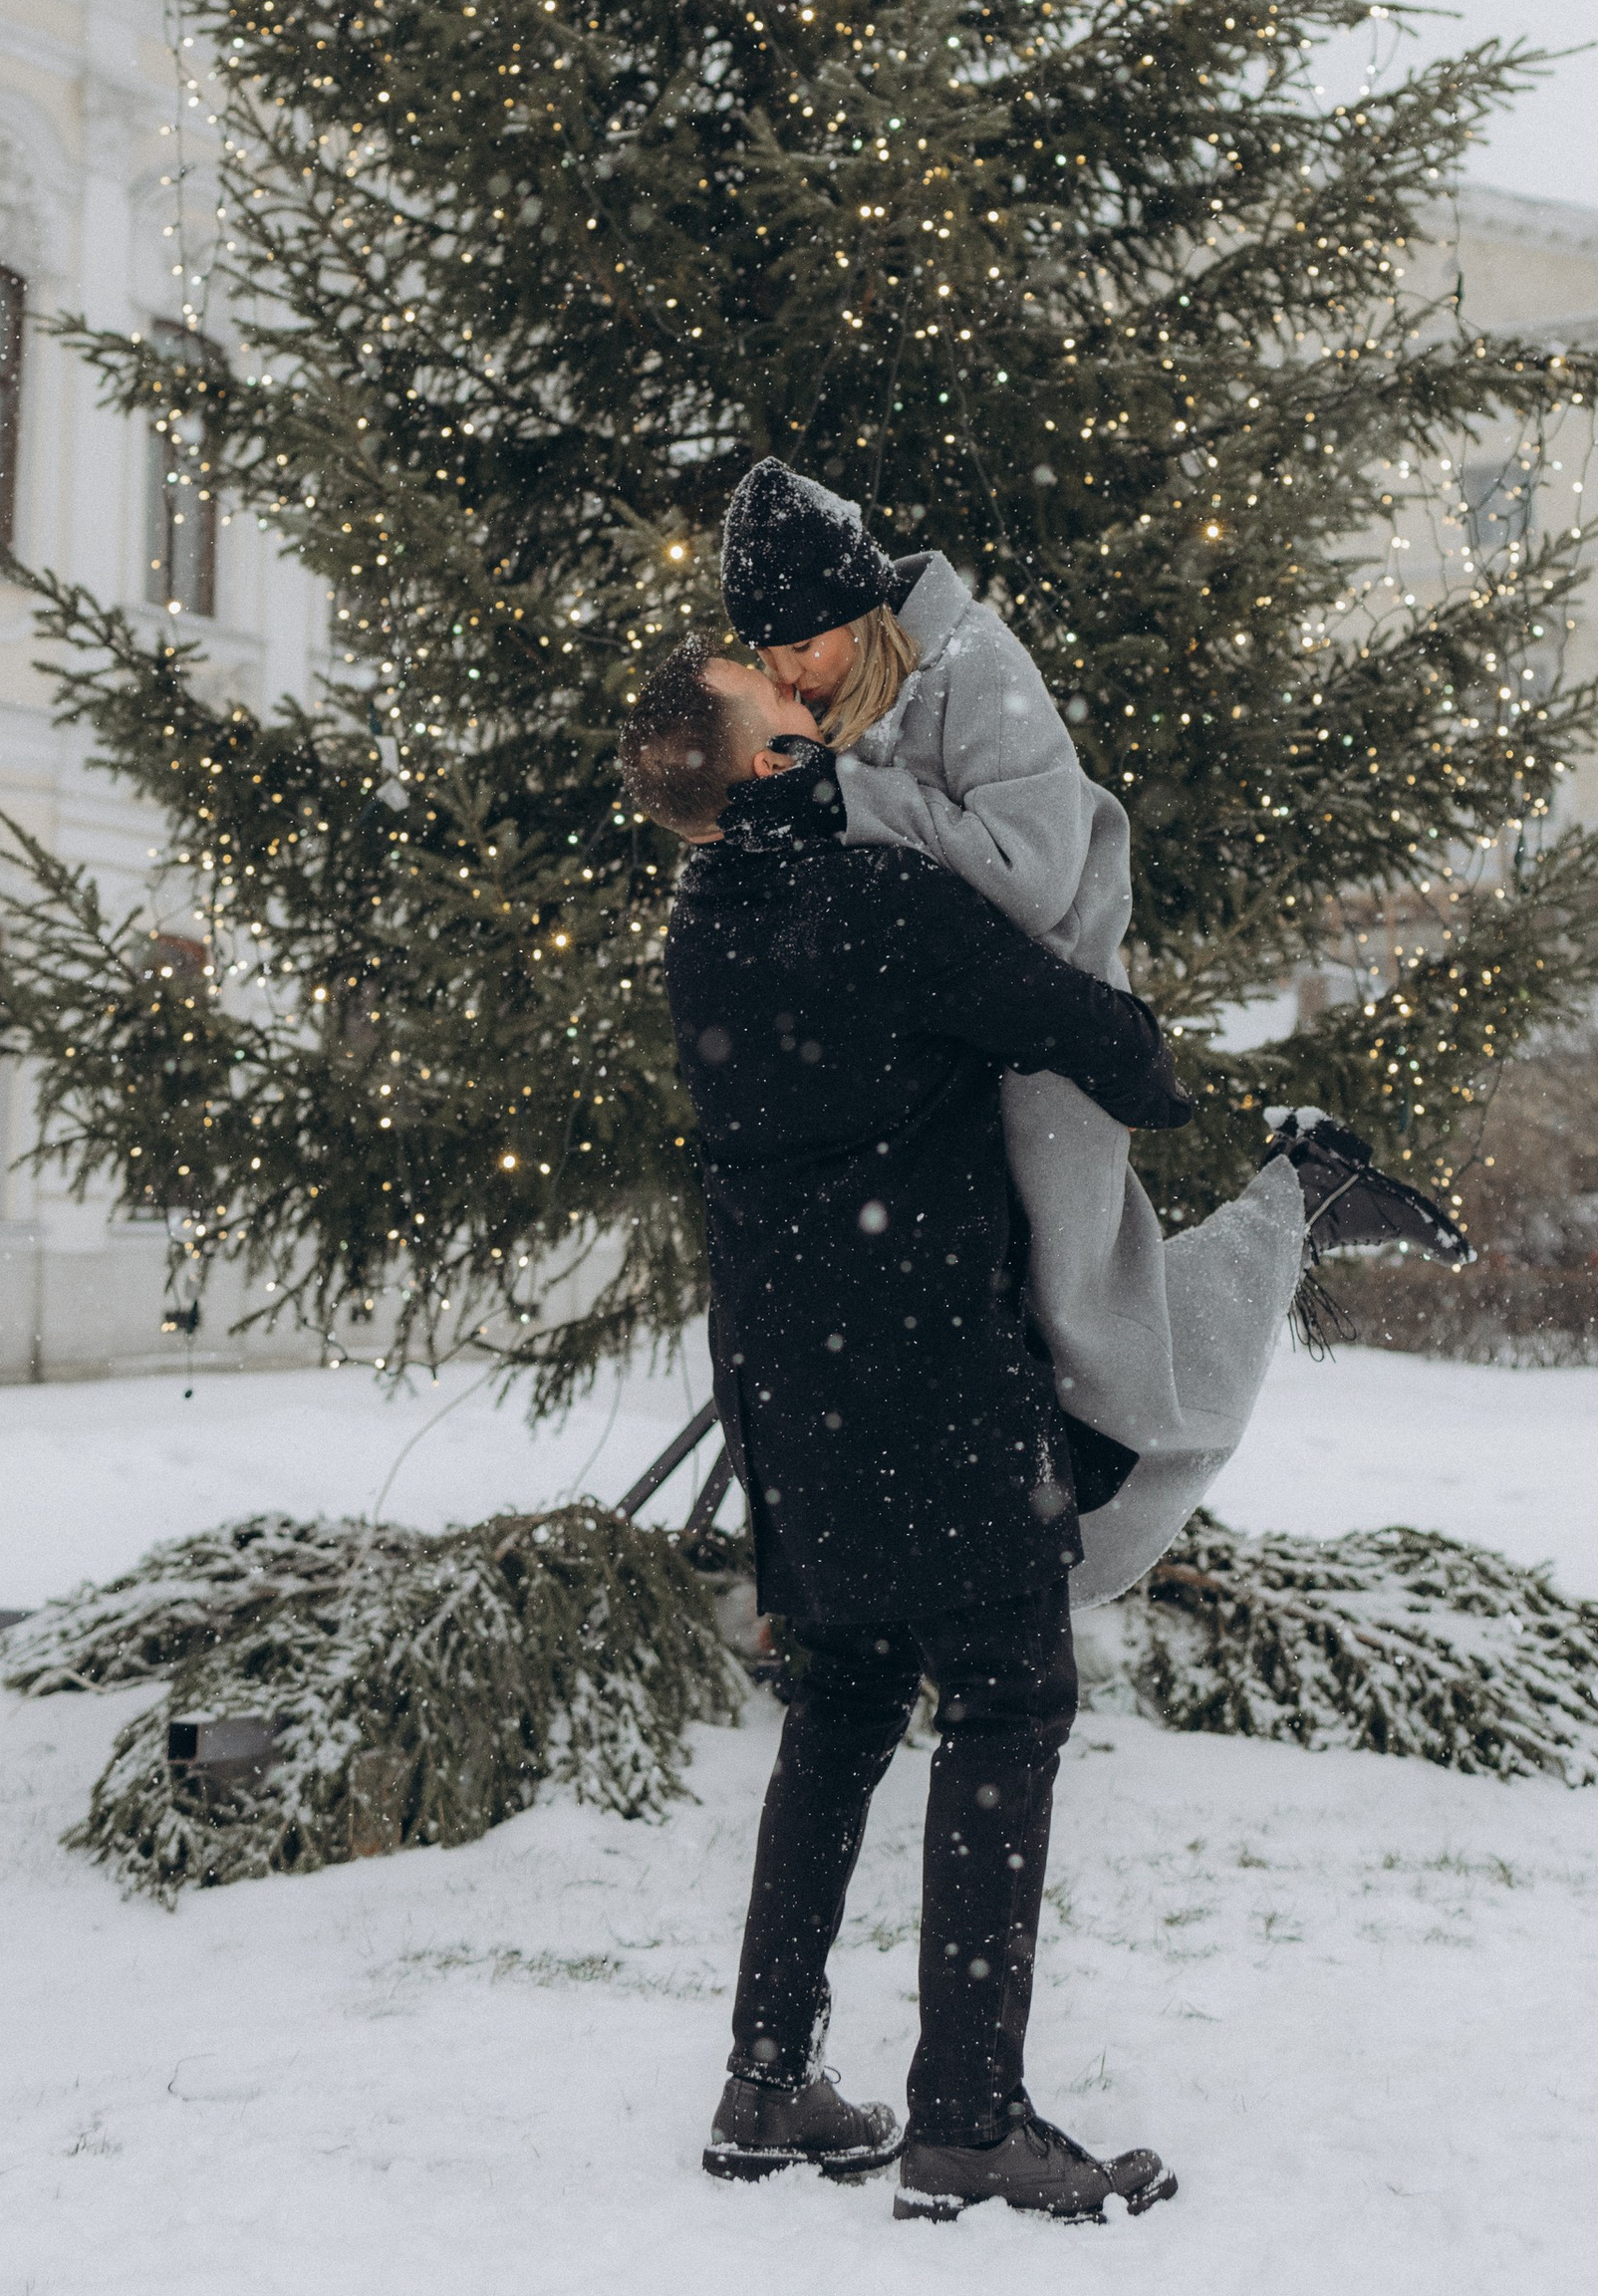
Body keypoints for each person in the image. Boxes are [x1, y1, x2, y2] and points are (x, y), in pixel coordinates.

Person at [622, 633, 1186, 2223]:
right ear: (763, 773)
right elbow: (1103, 1041)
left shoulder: (705, 927)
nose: (820, 712)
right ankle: (966, 2118)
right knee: (1008, 1700)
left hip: (790, 1393)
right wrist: (1155, 1069)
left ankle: (769, 2076)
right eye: (790, 710)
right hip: (932, 1376)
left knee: (846, 1702)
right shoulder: (874, 907)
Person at [718, 457, 1466, 1596]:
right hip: (949, 1061)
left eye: (800, 644)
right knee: (1000, 1337)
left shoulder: (977, 667)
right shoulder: (853, 697)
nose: (785, 672)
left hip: (1047, 1047)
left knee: (1090, 1345)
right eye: (764, 653)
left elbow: (1031, 872)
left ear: (861, 612)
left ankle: (1293, 1202)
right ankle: (963, 1579)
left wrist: (845, 803)